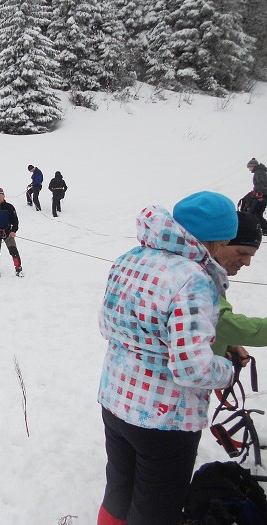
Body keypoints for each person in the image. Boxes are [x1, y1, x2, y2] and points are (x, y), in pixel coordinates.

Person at [97, 191, 237, 525]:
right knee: (155, 511)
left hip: (116, 400)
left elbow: (106, 325)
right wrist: (227, 371)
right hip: (165, 418)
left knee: (118, 493)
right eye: (225, 242)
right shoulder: (193, 278)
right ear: (214, 240)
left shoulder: (130, 257)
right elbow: (192, 367)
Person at [213, 211, 266, 356]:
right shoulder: (192, 274)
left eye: (251, 255)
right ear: (219, 243)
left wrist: (225, 344)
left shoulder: (213, 273)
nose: (247, 262)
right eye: (242, 253)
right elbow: (218, 323)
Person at [244, 157, 267, 233]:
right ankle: (264, 229)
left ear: (253, 166)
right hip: (263, 195)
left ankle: (255, 229)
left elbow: (261, 183)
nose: (249, 169)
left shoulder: (259, 172)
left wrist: (259, 193)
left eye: (249, 167)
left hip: (261, 196)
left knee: (254, 213)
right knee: (258, 214)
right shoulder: (261, 171)